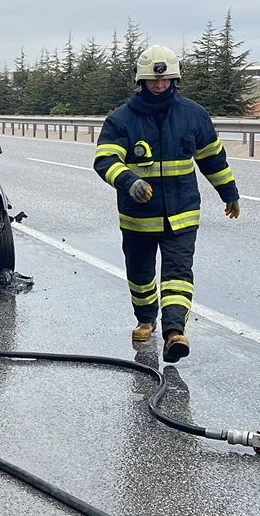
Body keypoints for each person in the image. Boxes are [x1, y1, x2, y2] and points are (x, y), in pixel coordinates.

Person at [93, 44, 241, 362]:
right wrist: (129, 182)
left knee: (178, 272)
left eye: (166, 80)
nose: (160, 85)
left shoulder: (193, 115)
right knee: (141, 273)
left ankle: (175, 332)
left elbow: (212, 157)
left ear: (175, 79)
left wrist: (229, 192)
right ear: (141, 81)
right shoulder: (121, 120)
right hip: (138, 218)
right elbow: (104, 160)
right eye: (153, 80)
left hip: (182, 213)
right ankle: (146, 319)